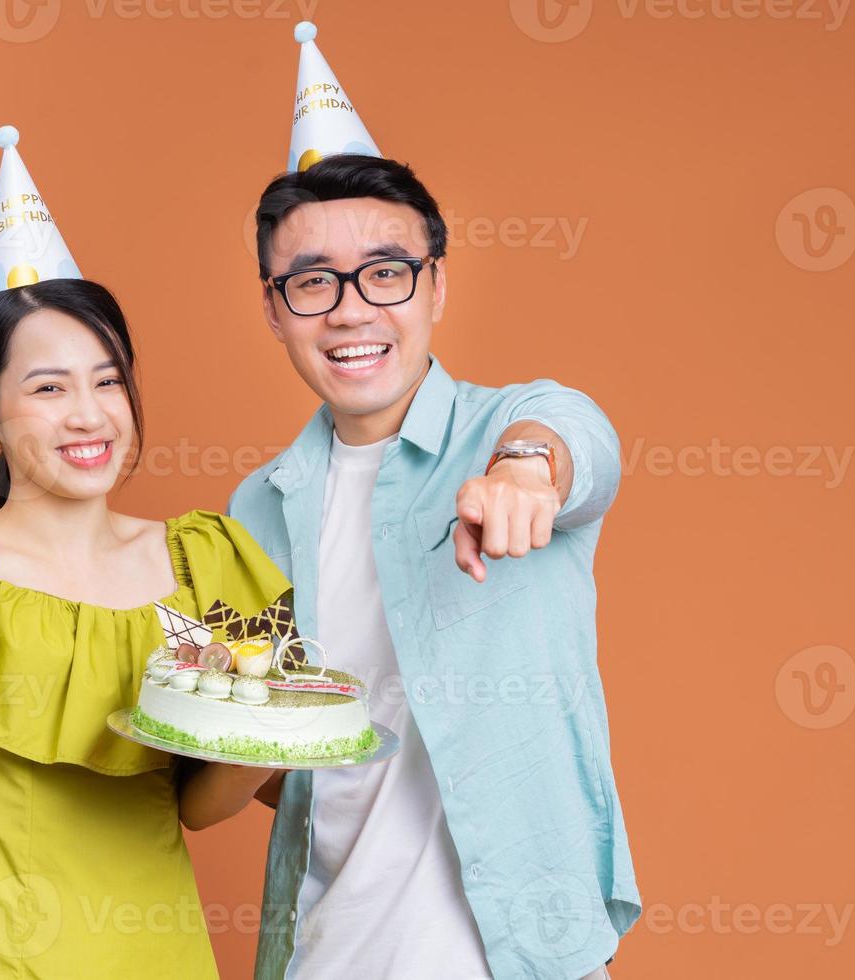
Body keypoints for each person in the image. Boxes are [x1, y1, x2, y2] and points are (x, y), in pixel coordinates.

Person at [0, 128, 280, 978]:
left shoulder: (201, 562)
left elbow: (201, 807)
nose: (89, 414)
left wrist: (262, 732)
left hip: (155, 951)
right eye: (47, 388)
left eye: (107, 379)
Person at [231, 150, 640, 979]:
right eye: (312, 283)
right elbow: (269, 764)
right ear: (274, 311)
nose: (350, 313)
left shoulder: (512, 425)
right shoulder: (256, 508)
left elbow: (573, 437)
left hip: (518, 955)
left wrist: (526, 470)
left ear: (436, 286)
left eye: (385, 273)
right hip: (324, 950)